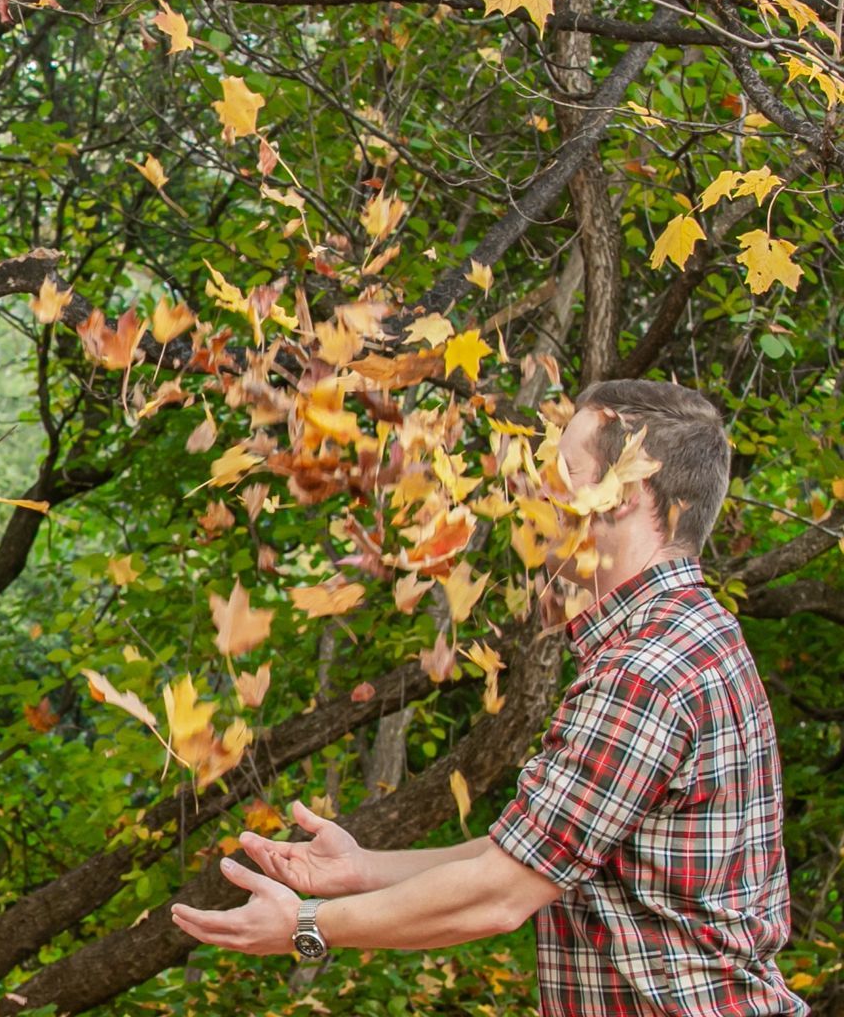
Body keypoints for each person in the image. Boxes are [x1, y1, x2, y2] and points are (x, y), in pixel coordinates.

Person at [173, 379, 806, 1016]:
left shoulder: (645, 671)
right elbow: (541, 850)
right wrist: (364, 871)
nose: (539, 494)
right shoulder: (687, 634)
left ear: (625, 495)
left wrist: (306, 926)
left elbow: (500, 895)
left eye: (566, 472)